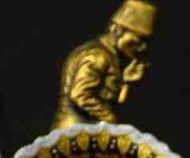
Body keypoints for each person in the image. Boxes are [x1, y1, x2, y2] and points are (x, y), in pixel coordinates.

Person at [53, 0, 156, 129]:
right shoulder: (97, 56)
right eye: (139, 39)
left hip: (89, 130)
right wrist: (110, 118)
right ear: (117, 30)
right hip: (75, 132)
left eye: (145, 41)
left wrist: (125, 82)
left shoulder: (110, 56)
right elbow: (80, 95)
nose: (142, 47)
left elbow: (111, 101)